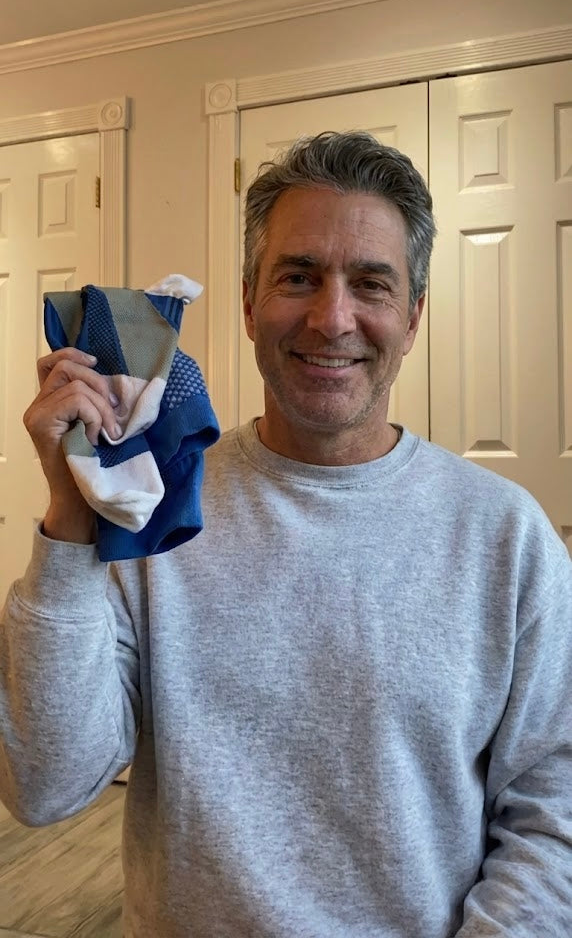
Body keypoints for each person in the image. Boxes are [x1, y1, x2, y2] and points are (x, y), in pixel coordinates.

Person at [0, 131, 571, 938]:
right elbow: (44, 785)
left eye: (370, 284)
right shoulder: (159, 508)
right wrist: (69, 522)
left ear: (412, 317)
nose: (331, 319)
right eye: (298, 277)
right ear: (247, 304)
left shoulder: (505, 537)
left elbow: (556, 812)